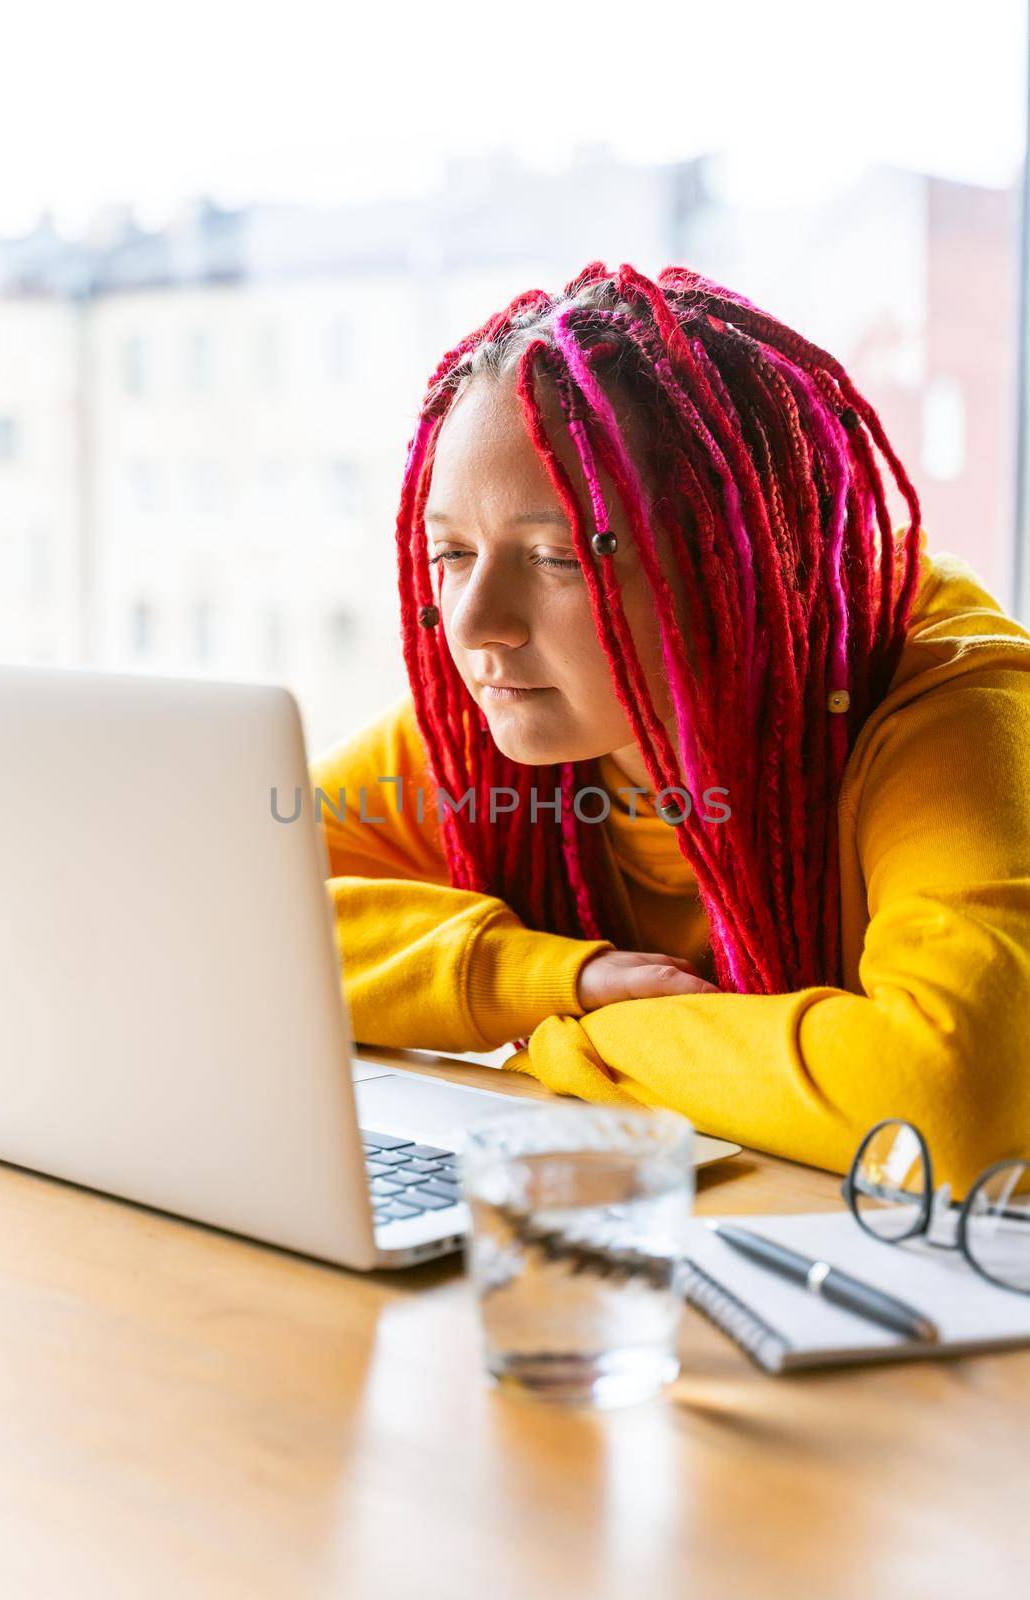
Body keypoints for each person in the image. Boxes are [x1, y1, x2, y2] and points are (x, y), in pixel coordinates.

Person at [309, 261, 1030, 1191]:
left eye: (558, 556)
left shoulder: (955, 709)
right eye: (451, 551)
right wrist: (541, 976)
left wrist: (574, 1035)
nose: (475, 622)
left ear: (739, 561)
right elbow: (211, 905)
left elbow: (948, 1101)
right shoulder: (499, 716)